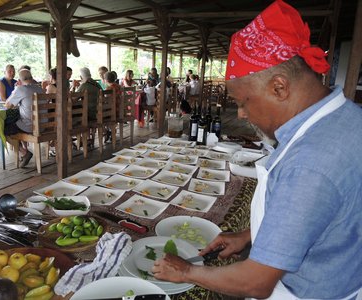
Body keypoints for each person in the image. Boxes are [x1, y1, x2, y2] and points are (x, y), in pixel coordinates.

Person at [152, 1, 362, 299]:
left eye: (242, 102)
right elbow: (321, 213)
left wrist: (187, 271)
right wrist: (252, 235)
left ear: (279, 87)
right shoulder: (348, 118)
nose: (240, 114)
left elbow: (256, 282)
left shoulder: (309, 162)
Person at [4, 69, 43, 167]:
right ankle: (24, 151)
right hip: (43, 125)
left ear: (20, 80)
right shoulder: (40, 89)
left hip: (30, 126)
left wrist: (15, 90)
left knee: (3, 129)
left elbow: (7, 105)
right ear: (31, 77)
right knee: (18, 123)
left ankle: (24, 152)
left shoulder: (21, 89)